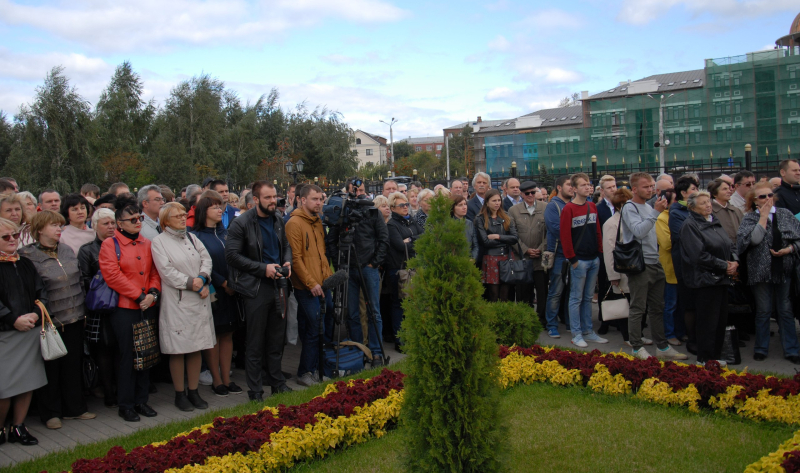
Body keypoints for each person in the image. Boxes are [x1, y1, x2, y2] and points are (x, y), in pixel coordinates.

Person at [19, 210, 95, 429]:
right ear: (40, 229)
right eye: (54, 225)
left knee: (72, 364)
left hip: (74, 316)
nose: (59, 229)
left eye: (60, 225)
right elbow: (29, 289)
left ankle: (75, 408)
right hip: (49, 320)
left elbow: (79, 280)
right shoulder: (28, 255)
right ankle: (51, 412)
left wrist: (83, 311)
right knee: (51, 367)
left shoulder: (66, 250)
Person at [225, 181, 293, 401]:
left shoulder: (278, 219)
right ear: (255, 200)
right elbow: (232, 256)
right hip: (255, 288)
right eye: (268, 198)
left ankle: (277, 383)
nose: (273, 201)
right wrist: (263, 269)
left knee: (276, 339)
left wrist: (287, 262)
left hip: (279, 284)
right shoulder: (241, 223)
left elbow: (286, 245)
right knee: (255, 343)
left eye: (274, 197)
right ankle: (255, 391)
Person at [98, 195, 161, 422]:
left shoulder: (147, 243)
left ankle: (141, 401)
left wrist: (153, 294)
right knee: (127, 356)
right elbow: (112, 276)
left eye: (140, 218)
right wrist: (139, 296)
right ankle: (125, 404)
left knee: (146, 354)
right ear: (120, 224)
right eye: (132, 219)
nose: (137, 222)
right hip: (125, 308)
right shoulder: (109, 245)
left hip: (147, 306)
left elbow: (154, 272)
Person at [151, 202, 216, 412]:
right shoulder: (159, 242)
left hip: (199, 299)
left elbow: (206, 258)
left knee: (196, 345)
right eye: (177, 216)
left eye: (182, 214)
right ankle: (180, 394)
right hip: (178, 302)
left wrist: (203, 278)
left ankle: (194, 391)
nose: (182, 218)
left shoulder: (191, 236)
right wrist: (193, 283)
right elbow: (167, 272)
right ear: (165, 221)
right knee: (179, 349)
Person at [621, 172, 687, 361]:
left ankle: (662, 346)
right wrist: (656, 213)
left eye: (651, 186)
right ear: (634, 189)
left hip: (655, 262)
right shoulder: (630, 207)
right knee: (638, 307)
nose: (650, 189)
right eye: (645, 186)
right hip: (639, 265)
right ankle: (636, 347)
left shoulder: (650, 207)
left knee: (658, 307)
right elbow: (639, 232)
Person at [737, 182, 800, 363]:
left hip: (784, 270)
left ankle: (791, 350)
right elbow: (752, 240)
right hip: (760, 272)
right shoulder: (750, 218)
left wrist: (790, 249)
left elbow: (798, 238)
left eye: (770, 195)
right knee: (763, 311)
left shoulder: (785, 215)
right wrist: (763, 218)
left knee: (785, 310)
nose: (768, 199)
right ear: (755, 201)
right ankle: (761, 348)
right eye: (763, 197)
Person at [0, 218, 46, 446]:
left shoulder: (25, 263)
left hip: (29, 330)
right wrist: (12, 319)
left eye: (15, 235)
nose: (12, 240)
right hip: (6, 334)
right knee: (5, 387)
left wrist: (36, 313)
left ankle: (19, 426)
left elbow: (41, 291)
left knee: (27, 382)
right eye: (5, 237)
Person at [191, 193, 242, 397]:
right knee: (214, 336)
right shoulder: (196, 237)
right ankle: (216, 380)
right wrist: (222, 281)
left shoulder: (225, 233)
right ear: (204, 212)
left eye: (220, 207)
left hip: (231, 290)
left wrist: (234, 282)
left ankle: (228, 379)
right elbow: (202, 264)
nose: (220, 210)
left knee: (228, 334)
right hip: (214, 292)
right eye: (215, 207)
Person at [680, 191, 738, 366]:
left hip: (721, 278)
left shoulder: (713, 221)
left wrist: (735, 261)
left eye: (708, 202)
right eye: (703, 203)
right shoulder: (690, 225)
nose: (708, 205)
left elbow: (729, 244)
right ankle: (704, 358)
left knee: (720, 320)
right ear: (692, 207)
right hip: (705, 280)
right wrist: (724, 266)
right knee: (707, 321)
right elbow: (698, 256)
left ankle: (715, 356)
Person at [286, 185, 336, 385]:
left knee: (323, 324)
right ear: (302, 200)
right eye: (314, 199)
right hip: (307, 287)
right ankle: (305, 372)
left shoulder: (317, 222)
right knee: (314, 327)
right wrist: (311, 283)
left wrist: (327, 278)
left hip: (322, 284)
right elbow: (296, 259)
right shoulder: (294, 223)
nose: (319, 203)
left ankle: (319, 367)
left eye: (321, 199)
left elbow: (321, 255)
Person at [344, 185, 388, 368]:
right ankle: (358, 350)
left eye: (361, 188)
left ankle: (376, 352)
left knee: (374, 312)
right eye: (355, 189)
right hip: (349, 268)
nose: (358, 192)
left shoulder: (373, 212)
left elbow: (383, 239)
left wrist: (374, 263)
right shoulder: (345, 212)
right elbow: (334, 240)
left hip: (368, 268)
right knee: (353, 313)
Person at [78, 208, 118, 407]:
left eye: (112, 223)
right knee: (103, 350)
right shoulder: (87, 250)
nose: (110, 227)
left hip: (123, 303)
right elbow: (83, 279)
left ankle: (122, 386)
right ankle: (108, 390)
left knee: (121, 348)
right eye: (105, 223)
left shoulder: (122, 245)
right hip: (100, 306)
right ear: (94, 226)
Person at [559, 173, 605, 347]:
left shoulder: (592, 206)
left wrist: (599, 253)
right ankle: (576, 333)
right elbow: (565, 236)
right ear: (575, 189)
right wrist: (573, 259)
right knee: (576, 298)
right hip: (579, 260)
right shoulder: (568, 209)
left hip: (593, 259)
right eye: (584, 184)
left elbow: (597, 231)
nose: (588, 187)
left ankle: (588, 330)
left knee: (587, 297)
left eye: (589, 184)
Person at [385, 191, 423, 349]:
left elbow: (424, 235)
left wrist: (411, 240)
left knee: (413, 304)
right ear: (393, 208)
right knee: (399, 304)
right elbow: (400, 246)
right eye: (402, 205)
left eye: (406, 204)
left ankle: (412, 337)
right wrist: (412, 241)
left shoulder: (411, 220)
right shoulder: (392, 225)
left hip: (413, 267)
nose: (406, 208)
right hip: (399, 270)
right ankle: (400, 340)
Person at [508, 181, 547, 323]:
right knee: (524, 291)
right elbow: (513, 234)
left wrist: (541, 249)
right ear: (522, 195)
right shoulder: (514, 210)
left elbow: (550, 233)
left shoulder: (545, 208)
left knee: (542, 291)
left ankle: (542, 319)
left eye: (533, 192)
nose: (531, 196)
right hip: (522, 259)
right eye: (527, 193)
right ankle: (525, 319)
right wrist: (525, 250)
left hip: (541, 259)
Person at [669, 175, 700, 354]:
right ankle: (691, 337)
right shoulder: (676, 212)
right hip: (685, 263)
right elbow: (682, 237)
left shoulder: (696, 210)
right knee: (687, 303)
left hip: (700, 263)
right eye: (693, 189)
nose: (696, 192)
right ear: (683, 193)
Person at [543, 175, 574, 338]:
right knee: (556, 291)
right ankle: (552, 324)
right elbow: (556, 229)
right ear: (559, 187)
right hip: (559, 254)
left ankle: (569, 322)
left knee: (572, 291)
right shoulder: (553, 206)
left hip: (574, 254)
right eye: (569, 184)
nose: (572, 187)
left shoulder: (575, 204)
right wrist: (576, 237)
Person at [474, 189, 518, 302]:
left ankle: (504, 317)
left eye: (499, 200)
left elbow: (514, 238)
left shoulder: (507, 216)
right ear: (487, 202)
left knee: (505, 293)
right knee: (493, 294)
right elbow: (485, 241)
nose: (497, 203)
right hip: (491, 258)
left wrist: (498, 236)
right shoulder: (480, 218)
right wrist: (506, 239)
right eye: (494, 201)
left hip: (506, 257)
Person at [655, 188, 684, 346]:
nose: (677, 203)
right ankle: (669, 333)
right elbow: (666, 244)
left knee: (680, 303)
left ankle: (680, 331)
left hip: (680, 266)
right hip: (668, 267)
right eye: (674, 200)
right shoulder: (661, 218)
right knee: (670, 304)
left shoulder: (679, 216)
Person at [595, 175, 617, 334]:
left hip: (621, 253)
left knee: (620, 287)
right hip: (604, 253)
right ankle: (604, 320)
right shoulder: (598, 208)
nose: (613, 189)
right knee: (604, 287)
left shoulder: (623, 206)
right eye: (609, 187)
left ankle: (619, 318)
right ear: (602, 191)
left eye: (614, 186)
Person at [451, 195, 478, 261]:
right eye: (460, 205)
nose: (464, 207)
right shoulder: (448, 224)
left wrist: (473, 258)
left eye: (465, 204)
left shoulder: (470, 223)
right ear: (453, 208)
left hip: (469, 261)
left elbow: (475, 245)